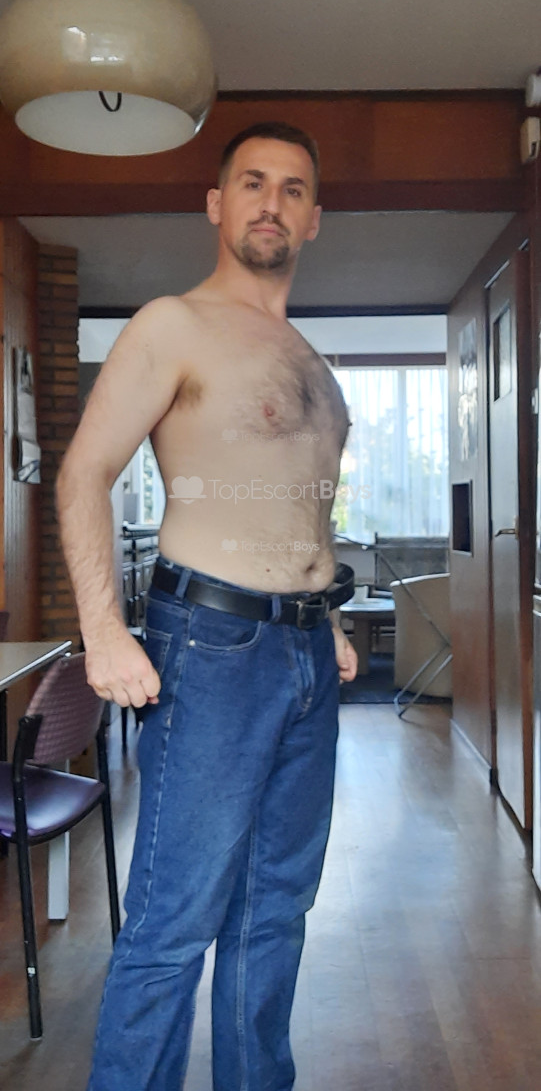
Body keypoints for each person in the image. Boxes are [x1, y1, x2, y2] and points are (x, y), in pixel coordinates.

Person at [56, 120, 358, 1091]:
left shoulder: (309, 362)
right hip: (212, 649)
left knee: (275, 917)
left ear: (313, 218)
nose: (273, 202)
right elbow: (83, 473)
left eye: (293, 188)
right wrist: (103, 629)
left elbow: (298, 502)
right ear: (217, 205)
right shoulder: (172, 325)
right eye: (253, 183)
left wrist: (327, 618)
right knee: (173, 923)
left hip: (305, 659)